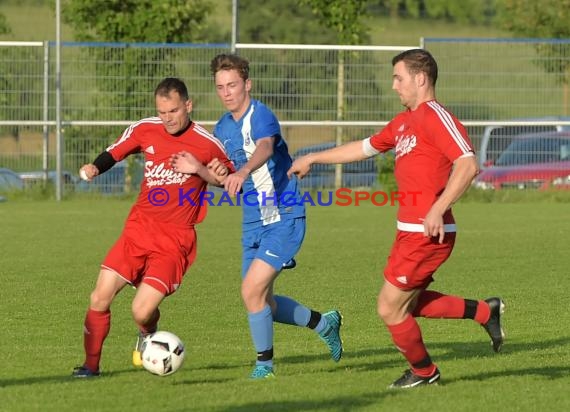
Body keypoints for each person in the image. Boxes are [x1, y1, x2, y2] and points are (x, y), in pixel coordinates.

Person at [288, 49, 505, 389]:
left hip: (428, 233)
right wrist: (314, 157)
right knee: (410, 303)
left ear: (420, 79)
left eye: (398, 78)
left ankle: (424, 373)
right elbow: (363, 148)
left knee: (390, 308)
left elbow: (467, 164)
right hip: (408, 232)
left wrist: (437, 207)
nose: (394, 86)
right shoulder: (404, 122)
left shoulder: (435, 116)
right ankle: (484, 312)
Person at [172, 53, 343, 379]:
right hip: (253, 222)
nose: (227, 92)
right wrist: (203, 170)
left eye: (232, 85)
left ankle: (264, 366)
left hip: (283, 215)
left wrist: (243, 169)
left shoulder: (260, 115)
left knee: (251, 292)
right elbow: (225, 180)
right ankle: (324, 323)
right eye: (220, 87)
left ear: (246, 84)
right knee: (262, 301)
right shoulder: (222, 128)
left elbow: (264, 147)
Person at [72, 77, 234, 378]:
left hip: (175, 239)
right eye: (161, 112)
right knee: (99, 297)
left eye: (173, 111)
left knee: (140, 311)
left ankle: (148, 333)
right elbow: (116, 151)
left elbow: (228, 180)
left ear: (188, 105)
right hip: (138, 229)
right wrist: (96, 166)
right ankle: (90, 366)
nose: (167, 119)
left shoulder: (206, 143)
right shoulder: (146, 128)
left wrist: (211, 171)